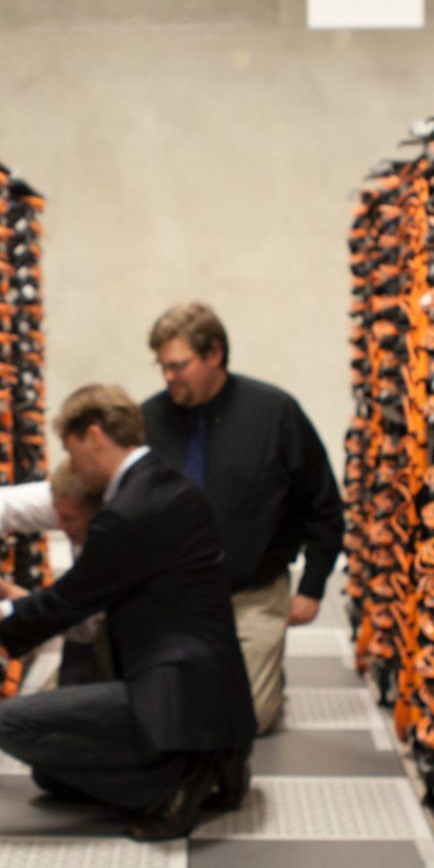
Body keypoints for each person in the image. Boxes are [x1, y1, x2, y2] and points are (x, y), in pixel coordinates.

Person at [0, 384, 255, 840]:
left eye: (72, 450)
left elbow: (71, 599)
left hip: (174, 688)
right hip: (210, 688)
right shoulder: (166, 485)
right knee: (51, 776)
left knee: (7, 723)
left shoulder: (128, 512)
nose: (71, 465)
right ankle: (207, 759)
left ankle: (178, 780)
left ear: (94, 435)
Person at [144, 301, 345, 735]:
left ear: (214, 354)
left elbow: (323, 503)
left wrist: (312, 586)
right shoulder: (149, 420)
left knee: (246, 717)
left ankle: (252, 670)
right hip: (169, 597)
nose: (169, 378)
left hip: (253, 595)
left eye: (179, 366)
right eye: (163, 367)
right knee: (144, 704)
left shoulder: (275, 414)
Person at [0, 462, 113, 684]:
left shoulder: (114, 542)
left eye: (68, 519)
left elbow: (84, 622)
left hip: (111, 652)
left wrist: (1, 621)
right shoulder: (71, 495)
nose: (60, 525)